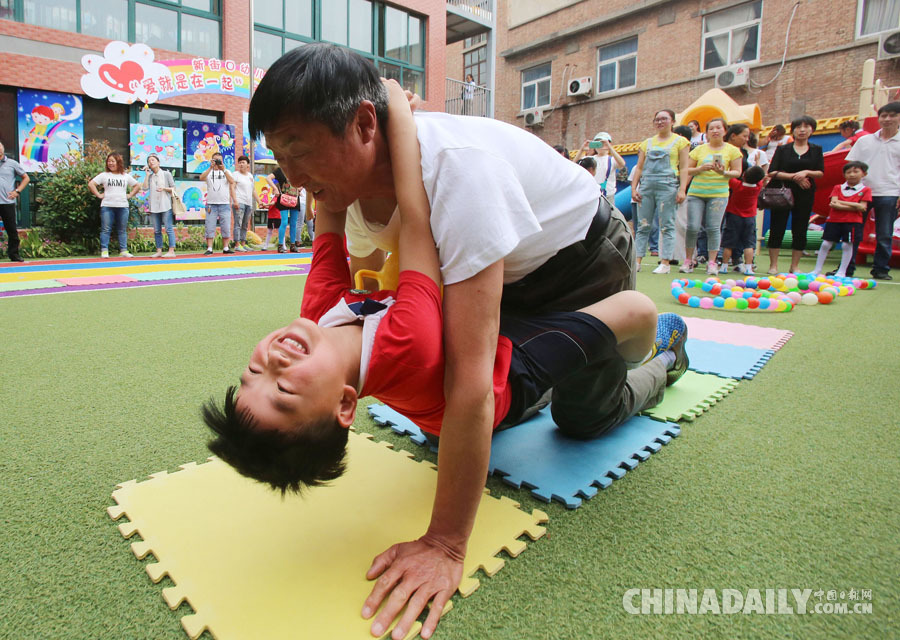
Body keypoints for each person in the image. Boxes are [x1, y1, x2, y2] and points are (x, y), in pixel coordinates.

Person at [212, 78, 688, 640]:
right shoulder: (404, 343)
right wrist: (397, 121)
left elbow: (327, 220)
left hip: (508, 315)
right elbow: (418, 220)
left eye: (254, 372)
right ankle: (665, 355)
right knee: (583, 417)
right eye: (285, 390)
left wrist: (365, 134)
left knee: (473, 372)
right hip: (506, 382)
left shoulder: (315, 318)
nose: (274, 361)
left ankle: (598, 351)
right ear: (346, 404)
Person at [631, 109, 690, 274]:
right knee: (643, 225)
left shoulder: (681, 142)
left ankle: (665, 262)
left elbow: (684, 167)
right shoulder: (647, 143)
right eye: (657, 119)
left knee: (667, 225)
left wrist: (682, 189)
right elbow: (639, 167)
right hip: (647, 185)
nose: (660, 122)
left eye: (664, 119)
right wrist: (634, 187)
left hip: (668, 185)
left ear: (672, 121)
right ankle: (637, 261)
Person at [846, 101, 900, 280]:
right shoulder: (864, 140)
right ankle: (846, 267)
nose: (887, 119)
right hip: (861, 192)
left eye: (892, 115)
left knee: (884, 233)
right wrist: (849, 189)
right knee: (853, 231)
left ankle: (881, 269)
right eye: (883, 115)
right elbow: (851, 165)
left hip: (889, 193)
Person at [682, 118, 743, 275]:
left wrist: (723, 172)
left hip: (718, 194)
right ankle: (688, 260)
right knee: (693, 227)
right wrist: (700, 168)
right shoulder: (699, 150)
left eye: (718, 128)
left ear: (725, 130)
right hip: (696, 193)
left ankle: (712, 262)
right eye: (711, 129)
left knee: (713, 228)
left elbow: (737, 172)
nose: (715, 131)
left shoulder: (733, 150)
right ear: (707, 132)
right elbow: (686, 169)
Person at [766, 115, 825, 274]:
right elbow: (772, 172)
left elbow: (820, 172)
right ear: (793, 130)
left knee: (800, 227)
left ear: (812, 130)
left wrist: (806, 172)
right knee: (777, 226)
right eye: (798, 127)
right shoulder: (782, 149)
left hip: (805, 192)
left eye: (806, 127)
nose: (802, 130)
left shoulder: (816, 150)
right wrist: (794, 177)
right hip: (782, 192)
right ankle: (773, 265)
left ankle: (795, 266)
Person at [811, 161, 871, 278]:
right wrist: (854, 205)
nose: (852, 175)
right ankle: (817, 270)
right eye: (848, 172)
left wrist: (842, 202)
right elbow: (833, 204)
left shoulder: (866, 190)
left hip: (852, 222)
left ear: (864, 174)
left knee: (847, 245)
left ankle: (842, 271)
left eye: (856, 171)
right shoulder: (838, 187)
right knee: (825, 244)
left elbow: (862, 207)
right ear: (844, 175)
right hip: (833, 220)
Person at [88, 152, 140, 258]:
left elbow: (137, 185)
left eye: (113, 161)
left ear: (118, 162)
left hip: (123, 206)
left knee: (122, 229)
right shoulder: (104, 175)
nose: (110, 163)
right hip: (107, 205)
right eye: (109, 161)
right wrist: (98, 194)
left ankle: (123, 250)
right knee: (106, 228)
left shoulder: (125, 176)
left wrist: (130, 195)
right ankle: (104, 250)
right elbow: (91, 184)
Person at [719, 165, 767, 275]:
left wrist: (724, 169)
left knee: (729, 243)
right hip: (750, 218)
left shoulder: (737, 185)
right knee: (749, 244)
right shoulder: (757, 187)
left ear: (744, 175)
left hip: (734, 217)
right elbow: (761, 178)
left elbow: (727, 176)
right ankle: (749, 267)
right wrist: (758, 162)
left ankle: (724, 266)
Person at [201, 152, 236, 255]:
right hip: (211, 204)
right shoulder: (208, 172)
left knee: (225, 226)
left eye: (219, 160)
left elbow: (232, 181)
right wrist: (210, 168)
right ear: (211, 160)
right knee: (210, 226)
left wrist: (223, 169)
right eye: (215, 160)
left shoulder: (227, 171)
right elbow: (201, 178)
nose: (217, 162)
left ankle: (226, 248)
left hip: (224, 204)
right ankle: (210, 248)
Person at [142, 154, 177, 258]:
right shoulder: (151, 176)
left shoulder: (166, 174)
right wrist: (147, 175)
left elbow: (173, 189)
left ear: (158, 162)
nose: (151, 162)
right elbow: (144, 188)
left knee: (168, 228)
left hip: (165, 205)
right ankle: (159, 250)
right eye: (149, 161)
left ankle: (171, 251)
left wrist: (164, 188)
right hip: (154, 206)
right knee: (157, 230)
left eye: (153, 160)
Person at [0, 140, 29, 262]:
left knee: (11, 230)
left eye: (0, 147)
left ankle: (14, 254)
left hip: (7, 202)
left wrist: (17, 191)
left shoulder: (12, 163)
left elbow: (26, 178)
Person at [575, 133, 626, 199]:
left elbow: (622, 164)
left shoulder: (611, 160)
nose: (600, 146)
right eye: (597, 143)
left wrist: (610, 148)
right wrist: (581, 150)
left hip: (608, 195)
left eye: (602, 143)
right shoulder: (590, 159)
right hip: (592, 194)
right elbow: (574, 165)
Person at [268, 166, 302, 252]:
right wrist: (275, 188)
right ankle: (280, 246)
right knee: (284, 222)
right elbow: (268, 178)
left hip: (294, 199)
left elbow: (306, 180)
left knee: (293, 223)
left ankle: (293, 245)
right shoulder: (280, 170)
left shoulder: (297, 169)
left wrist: (301, 188)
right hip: (283, 199)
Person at [232, 155, 259, 252]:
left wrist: (259, 201)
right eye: (239, 162)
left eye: (243, 162)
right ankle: (237, 245)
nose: (241, 164)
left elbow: (253, 190)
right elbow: (232, 188)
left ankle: (243, 244)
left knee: (245, 224)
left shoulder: (250, 176)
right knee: (238, 223)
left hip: (249, 203)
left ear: (248, 165)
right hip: (239, 202)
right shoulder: (235, 174)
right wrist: (235, 200)